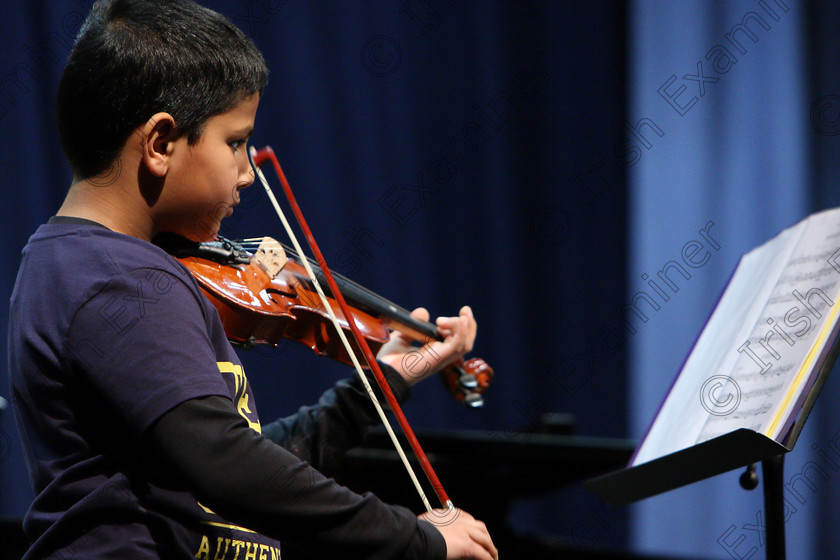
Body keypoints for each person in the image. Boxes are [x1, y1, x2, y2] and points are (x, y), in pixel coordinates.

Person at [7, 1, 498, 559]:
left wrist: (387, 378)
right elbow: (231, 468)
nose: (248, 171)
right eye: (236, 142)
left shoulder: (109, 269)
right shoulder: (119, 281)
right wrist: (418, 539)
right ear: (161, 144)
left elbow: (237, 459)